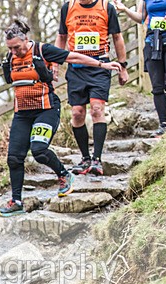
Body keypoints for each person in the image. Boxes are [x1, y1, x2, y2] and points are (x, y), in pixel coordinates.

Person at [0, 19, 121, 217]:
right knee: (14, 158)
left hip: (46, 109)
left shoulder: (41, 50)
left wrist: (101, 64)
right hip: (22, 114)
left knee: (38, 149)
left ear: (25, 40)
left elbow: (73, 57)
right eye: (10, 49)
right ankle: (17, 201)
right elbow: (11, 79)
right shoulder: (10, 57)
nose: (14, 52)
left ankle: (64, 175)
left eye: (17, 48)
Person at [54, 0, 129, 179]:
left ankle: (97, 159)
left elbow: (117, 37)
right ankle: (85, 158)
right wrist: (55, 63)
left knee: (97, 109)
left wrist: (122, 66)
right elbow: (61, 37)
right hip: (76, 68)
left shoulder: (106, 7)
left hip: (100, 65)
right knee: (77, 113)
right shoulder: (68, 7)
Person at [115, 0, 166, 136]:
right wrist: (125, 10)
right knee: (157, 86)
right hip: (153, 40)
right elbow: (141, 18)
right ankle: (163, 124)